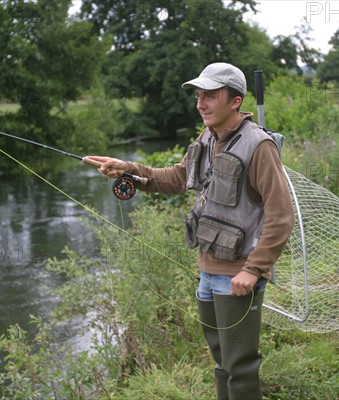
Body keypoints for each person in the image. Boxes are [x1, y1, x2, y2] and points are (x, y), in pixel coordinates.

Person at [84, 62, 294, 400]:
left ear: (235, 100)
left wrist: (253, 270)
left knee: (240, 367)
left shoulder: (259, 146)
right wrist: (130, 169)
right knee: (222, 363)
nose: (201, 103)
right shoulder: (208, 137)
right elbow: (179, 178)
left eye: (210, 95)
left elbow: (281, 214)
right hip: (208, 273)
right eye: (199, 95)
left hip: (237, 277)